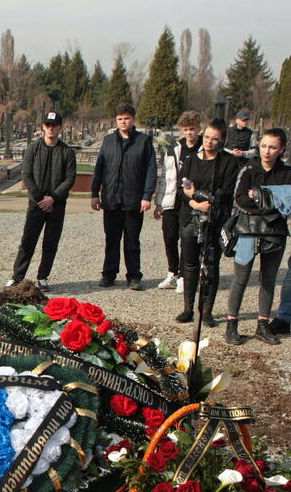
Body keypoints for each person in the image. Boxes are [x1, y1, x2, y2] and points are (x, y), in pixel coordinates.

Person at [225, 128, 291, 345]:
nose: (266, 151)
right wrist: (273, 201)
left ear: (281, 149)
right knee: (240, 279)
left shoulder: (287, 173)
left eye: (272, 147)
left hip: (275, 233)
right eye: (263, 146)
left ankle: (263, 325)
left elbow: (289, 203)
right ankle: (231, 325)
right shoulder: (248, 169)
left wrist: (259, 196)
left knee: (268, 280)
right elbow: (240, 199)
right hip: (248, 230)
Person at [172, 119, 238, 327]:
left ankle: (207, 311)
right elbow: (182, 189)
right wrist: (194, 201)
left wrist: (198, 195)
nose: (209, 142)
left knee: (211, 265)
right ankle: (188, 308)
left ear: (222, 140)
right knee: (189, 264)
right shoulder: (191, 160)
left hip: (214, 220)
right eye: (207, 137)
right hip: (190, 218)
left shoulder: (228, 162)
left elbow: (225, 192)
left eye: (214, 139)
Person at [6, 111, 76, 291]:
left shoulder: (67, 151)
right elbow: (27, 174)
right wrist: (39, 198)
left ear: (60, 127)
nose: (51, 128)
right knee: (28, 241)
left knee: (50, 243)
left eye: (54, 125)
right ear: (43, 127)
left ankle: (43, 277)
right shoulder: (33, 148)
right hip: (36, 204)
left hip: (56, 205)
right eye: (48, 125)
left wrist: (53, 198)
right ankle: (17, 277)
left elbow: (70, 178)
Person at [90, 103, 157, 290]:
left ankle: (134, 276)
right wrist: (95, 194)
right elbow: (100, 168)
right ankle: (109, 274)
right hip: (111, 199)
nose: (123, 122)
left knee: (132, 241)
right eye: (120, 119)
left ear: (133, 119)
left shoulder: (144, 141)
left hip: (133, 200)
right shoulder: (108, 141)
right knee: (111, 240)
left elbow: (151, 170)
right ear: (116, 120)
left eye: (126, 118)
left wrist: (147, 196)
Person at [154, 111, 202, 292]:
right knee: (169, 237)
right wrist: (159, 202)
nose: (189, 133)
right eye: (186, 129)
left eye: (192, 129)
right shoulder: (173, 149)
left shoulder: (202, 149)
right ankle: (172, 272)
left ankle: (184, 275)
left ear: (199, 128)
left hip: (190, 201)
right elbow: (165, 177)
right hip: (172, 199)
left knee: (186, 239)